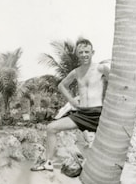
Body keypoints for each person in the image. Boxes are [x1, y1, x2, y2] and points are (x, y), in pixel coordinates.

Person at [31, 39, 110, 171]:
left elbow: (115, 83)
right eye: (81, 52)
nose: (84, 54)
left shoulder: (101, 68)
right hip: (81, 114)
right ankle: (48, 163)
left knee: (105, 145)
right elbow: (61, 85)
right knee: (51, 128)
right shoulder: (76, 72)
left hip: (98, 113)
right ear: (77, 54)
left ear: (92, 52)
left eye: (87, 52)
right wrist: (72, 100)